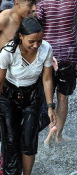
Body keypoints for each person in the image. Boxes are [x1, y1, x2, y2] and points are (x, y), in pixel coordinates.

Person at [0, 17, 56, 175]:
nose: (36, 45)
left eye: (39, 40)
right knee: (11, 141)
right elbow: (0, 82)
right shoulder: (8, 52)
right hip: (8, 97)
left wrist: (50, 106)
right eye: (32, 41)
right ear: (21, 36)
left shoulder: (46, 49)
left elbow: (46, 79)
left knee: (29, 140)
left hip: (32, 96)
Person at [36, 0, 77, 145]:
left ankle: (51, 128)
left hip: (48, 57)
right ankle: (58, 135)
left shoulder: (41, 5)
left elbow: (37, 24)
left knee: (47, 95)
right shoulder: (72, 2)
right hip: (68, 56)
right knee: (63, 97)